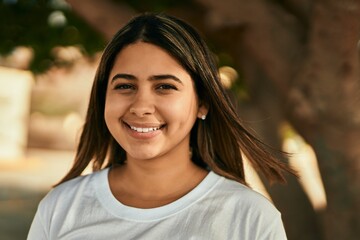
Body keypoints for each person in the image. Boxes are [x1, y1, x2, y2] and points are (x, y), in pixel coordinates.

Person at [28, 12, 293, 239]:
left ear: (203, 103)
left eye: (165, 86)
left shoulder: (248, 218)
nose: (141, 106)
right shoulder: (61, 207)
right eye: (125, 86)